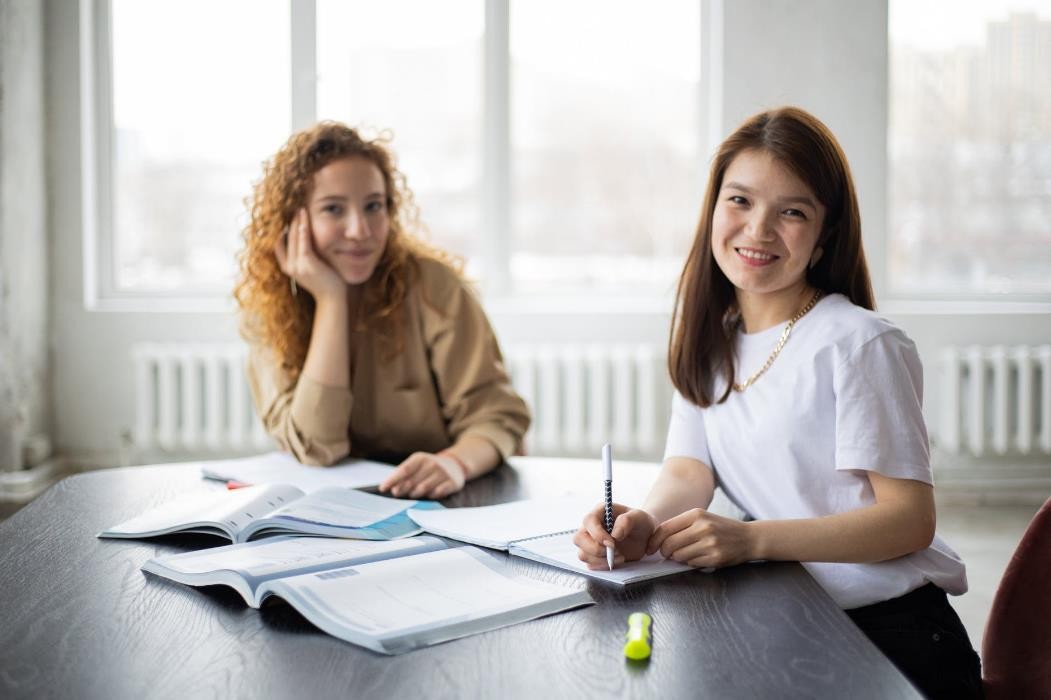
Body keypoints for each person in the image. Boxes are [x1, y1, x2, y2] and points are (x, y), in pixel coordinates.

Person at [573, 107, 982, 698]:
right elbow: (689, 469)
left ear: (823, 238)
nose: (758, 230)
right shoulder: (713, 334)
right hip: (788, 614)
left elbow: (911, 520)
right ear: (713, 208)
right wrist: (642, 524)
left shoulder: (860, 342)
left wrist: (752, 539)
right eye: (740, 201)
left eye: (792, 212)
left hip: (892, 636)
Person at [235, 121, 530, 500]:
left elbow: (496, 416)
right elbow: (317, 446)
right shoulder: (270, 307)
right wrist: (331, 301)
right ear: (295, 221)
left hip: (443, 502)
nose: (360, 230)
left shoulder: (434, 288)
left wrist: (453, 463)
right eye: (333, 209)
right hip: (334, 512)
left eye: (373, 206)